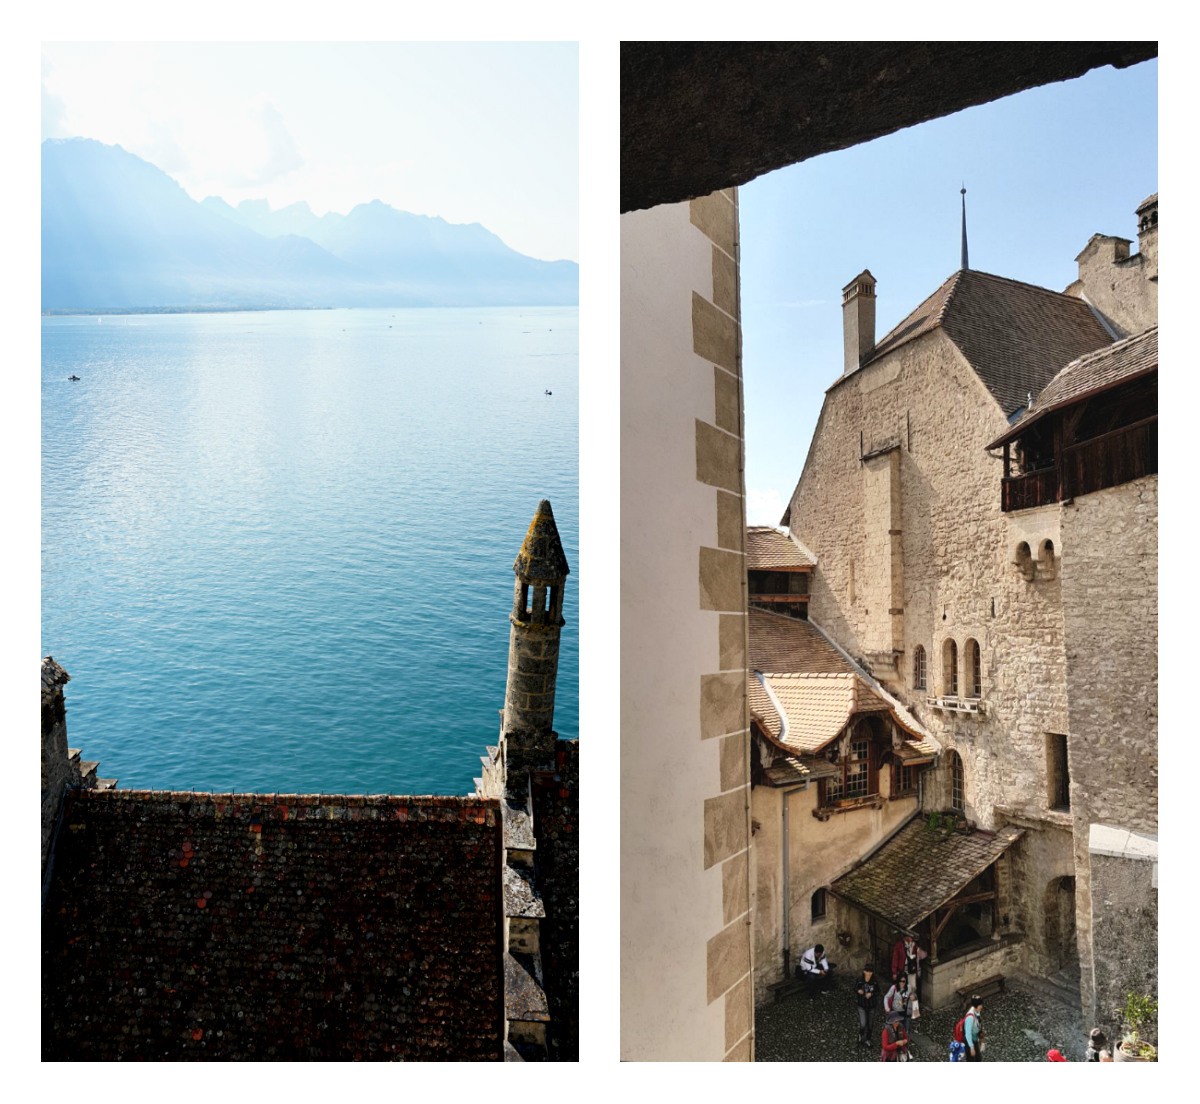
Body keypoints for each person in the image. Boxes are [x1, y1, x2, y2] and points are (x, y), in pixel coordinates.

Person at [890, 932, 927, 999]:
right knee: (902, 986)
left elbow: (920, 956)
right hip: (902, 969)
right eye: (909, 936)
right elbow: (895, 958)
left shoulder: (914, 945)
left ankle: (912, 1003)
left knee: (913, 987)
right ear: (905, 937)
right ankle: (901, 1002)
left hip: (911, 969)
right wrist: (894, 972)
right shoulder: (899, 945)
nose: (911, 938)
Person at [854, 963, 879, 1046]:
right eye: (867, 971)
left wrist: (871, 994)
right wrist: (858, 991)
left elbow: (878, 991)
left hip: (872, 1006)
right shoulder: (860, 980)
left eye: (870, 971)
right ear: (864, 971)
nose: (868, 973)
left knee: (870, 1025)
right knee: (863, 1023)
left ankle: (868, 1039)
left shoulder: (874, 981)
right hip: (861, 1005)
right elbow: (855, 988)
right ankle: (860, 1035)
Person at [883, 972, 911, 1036]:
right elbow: (886, 997)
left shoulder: (909, 988)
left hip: (905, 1013)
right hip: (896, 1013)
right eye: (900, 981)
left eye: (903, 981)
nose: (901, 983)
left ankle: (904, 1044)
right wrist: (886, 1007)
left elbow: (911, 998)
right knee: (895, 1031)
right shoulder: (894, 988)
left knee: (905, 1031)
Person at [964, 995, 985, 1061]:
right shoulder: (970, 1017)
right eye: (980, 1005)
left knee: (978, 1059)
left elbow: (978, 1024)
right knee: (971, 1060)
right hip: (969, 1042)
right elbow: (968, 1034)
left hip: (975, 1040)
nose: (982, 1006)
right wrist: (971, 1048)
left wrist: (981, 1038)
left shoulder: (977, 1011)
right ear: (976, 1005)